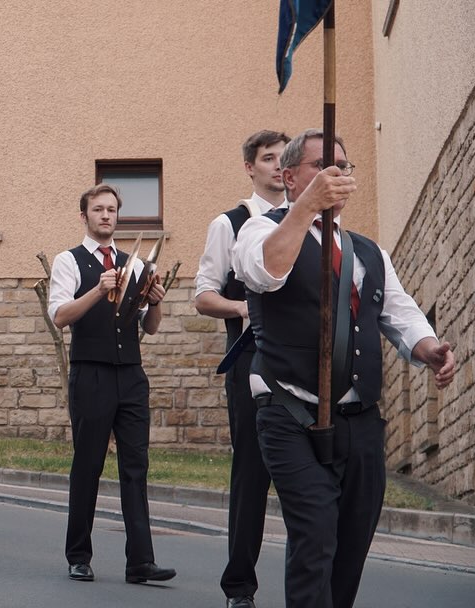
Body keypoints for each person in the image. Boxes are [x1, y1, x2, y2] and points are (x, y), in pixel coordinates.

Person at [231, 129, 456, 608]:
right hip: (290, 413)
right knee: (314, 534)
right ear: (290, 177)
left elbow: (399, 312)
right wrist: (306, 207)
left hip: (359, 423)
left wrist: (429, 347)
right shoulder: (259, 229)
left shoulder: (368, 251)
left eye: (343, 167)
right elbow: (265, 271)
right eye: (321, 165)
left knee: (351, 546)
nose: (336, 175)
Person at [48, 183, 176, 585]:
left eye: (111, 210)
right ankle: (78, 555)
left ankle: (141, 561)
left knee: (136, 468)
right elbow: (60, 316)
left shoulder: (133, 263)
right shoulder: (68, 261)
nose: (106, 216)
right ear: (84, 216)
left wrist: (155, 301)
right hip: (91, 374)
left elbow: (150, 329)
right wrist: (98, 289)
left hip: (131, 375)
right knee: (88, 465)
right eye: (98, 209)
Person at [194, 129, 289, 608]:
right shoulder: (229, 223)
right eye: (267, 158)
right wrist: (244, 310)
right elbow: (203, 295)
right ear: (250, 168)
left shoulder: (309, 220)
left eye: (282, 158)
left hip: (305, 360)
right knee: (251, 474)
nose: (276, 166)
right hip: (251, 358)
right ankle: (239, 588)